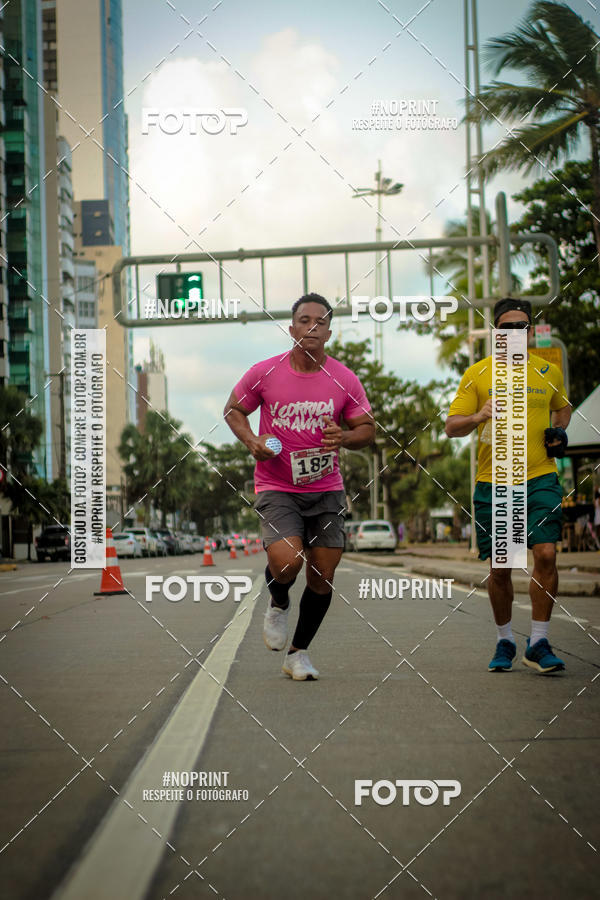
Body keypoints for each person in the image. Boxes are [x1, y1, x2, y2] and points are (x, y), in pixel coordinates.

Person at [223, 293, 375, 680]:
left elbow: (368, 430)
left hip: (326, 488)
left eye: (319, 322)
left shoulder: (344, 378)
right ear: (291, 329)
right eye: (303, 321)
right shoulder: (265, 373)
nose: (311, 327)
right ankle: (278, 600)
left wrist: (343, 437)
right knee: (288, 562)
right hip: (277, 486)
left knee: (323, 573)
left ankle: (298, 653)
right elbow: (233, 410)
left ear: (328, 331)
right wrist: (252, 442)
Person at [445, 298, 572, 674]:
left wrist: (559, 431)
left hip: (541, 477)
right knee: (502, 567)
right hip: (496, 481)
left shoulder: (549, 370)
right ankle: (505, 640)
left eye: (521, 327)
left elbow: (562, 406)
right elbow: (452, 427)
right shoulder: (478, 374)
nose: (515, 333)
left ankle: (539, 640)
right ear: (496, 333)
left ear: (530, 331)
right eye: (506, 328)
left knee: (546, 554)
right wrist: (477, 415)